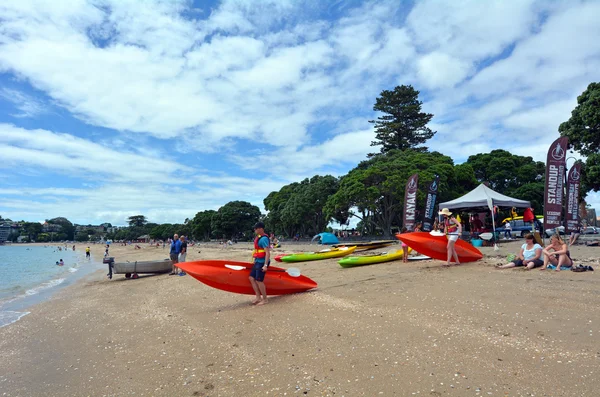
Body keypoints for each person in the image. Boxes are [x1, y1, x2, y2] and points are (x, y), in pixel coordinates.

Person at [249, 222, 270, 306]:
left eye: (256, 229)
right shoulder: (258, 238)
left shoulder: (264, 239)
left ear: (260, 229)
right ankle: (258, 297)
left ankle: (265, 299)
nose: (255, 230)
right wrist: (255, 260)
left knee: (259, 280)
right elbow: (257, 250)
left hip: (262, 262)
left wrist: (265, 265)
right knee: (251, 278)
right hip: (258, 261)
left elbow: (267, 253)